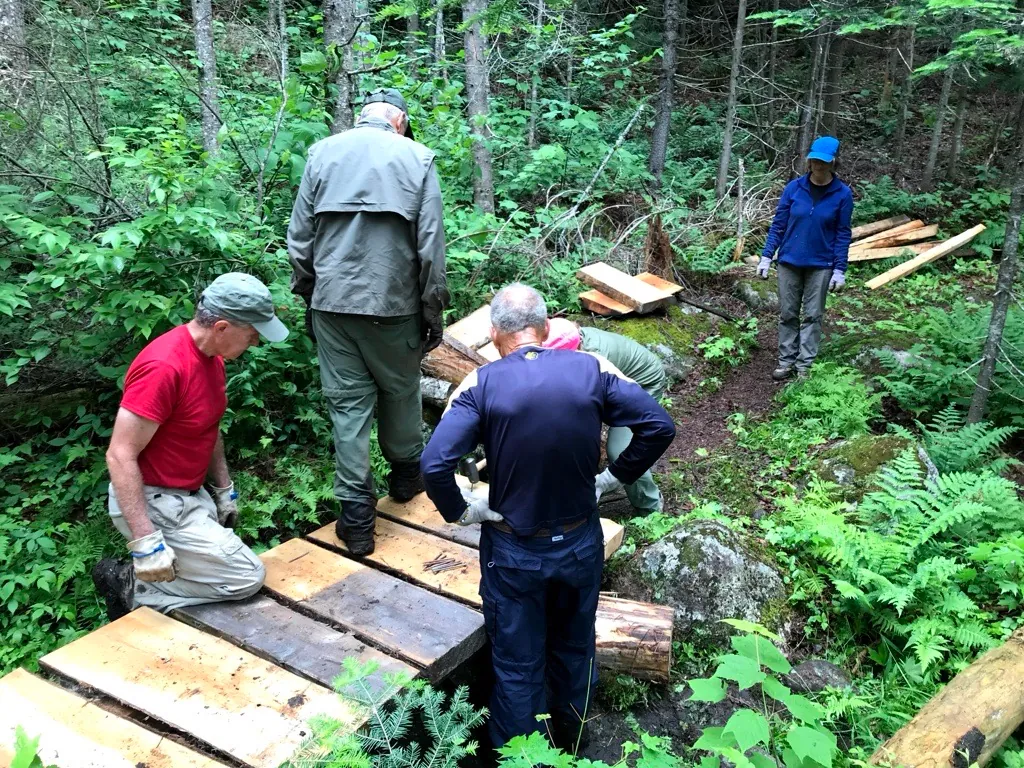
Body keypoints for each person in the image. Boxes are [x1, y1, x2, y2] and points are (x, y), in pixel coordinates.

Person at [420, 283, 675, 750]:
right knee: (576, 650)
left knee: (518, 666)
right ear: (545, 326)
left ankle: (525, 760)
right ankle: (574, 744)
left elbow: (434, 464)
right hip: (580, 542)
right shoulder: (592, 368)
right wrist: (611, 478)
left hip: (515, 547)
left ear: (495, 333)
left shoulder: (481, 383)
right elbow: (658, 425)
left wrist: (464, 511)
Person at [287, 87, 449, 555]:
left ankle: (357, 523)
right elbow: (431, 247)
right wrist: (431, 310)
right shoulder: (417, 158)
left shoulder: (321, 154)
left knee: (347, 407)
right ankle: (405, 484)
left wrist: (310, 294)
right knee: (400, 391)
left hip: (331, 305)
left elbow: (299, 238)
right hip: (392, 305)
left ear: (364, 117)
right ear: (399, 121)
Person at [91, 273, 289, 621]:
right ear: (223, 327)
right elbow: (119, 454)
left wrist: (223, 487)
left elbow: (209, 425)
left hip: (188, 496)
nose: (256, 342)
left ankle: (171, 570)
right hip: (155, 500)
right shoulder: (164, 367)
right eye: (253, 334)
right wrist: (145, 542)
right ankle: (132, 585)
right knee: (246, 577)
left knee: (227, 563)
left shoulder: (212, 358)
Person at [543, 318, 666, 514]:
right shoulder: (568, 340)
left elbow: (584, 414)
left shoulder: (593, 361)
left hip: (644, 383)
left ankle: (650, 507)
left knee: (619, 450)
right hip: (619, 383)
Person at [758, 135, 853, 380]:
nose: (818, 166)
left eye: (824, 162)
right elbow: (779, 224)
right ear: (808, 161)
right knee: (788, 313)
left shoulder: (842, 194)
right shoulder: (794, 188)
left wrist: (839, 269)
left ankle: (804, 365)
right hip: (789, 261)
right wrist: (767, 256)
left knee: (813, 315)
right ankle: (786, 361)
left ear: (833, 163)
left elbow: (843, 233)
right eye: (814, 161)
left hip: (821, 264)